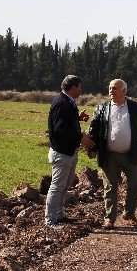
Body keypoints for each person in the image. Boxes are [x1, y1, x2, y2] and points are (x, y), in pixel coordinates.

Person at [88, 79, 137, 229]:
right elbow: (94, 129)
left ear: (124, 91)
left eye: (115, 88)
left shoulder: (135, 108)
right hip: (109, 154)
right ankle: (110, 218)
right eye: (110, 88)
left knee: (136, 182)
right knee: (110, 187)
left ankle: (129, 213)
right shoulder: (102, 108)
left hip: (131, 153)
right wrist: (92, 148)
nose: (111, 91)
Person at [45, 75, 94, 230]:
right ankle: (50, 219)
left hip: (68, 151)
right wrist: (81, 137)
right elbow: (60, 129)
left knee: (64, 185)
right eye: (79, 87)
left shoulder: (67, 102)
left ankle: (59, 214)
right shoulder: (62, 103)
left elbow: (64, 123)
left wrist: (77, 119)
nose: (81, 90)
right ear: (73, 87)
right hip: (62, 152)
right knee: (57, 186)